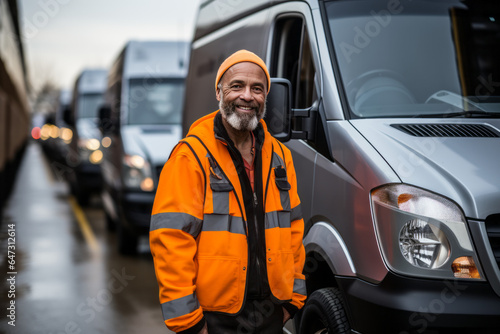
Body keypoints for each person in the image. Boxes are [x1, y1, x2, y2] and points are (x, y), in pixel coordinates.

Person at [150, 50, 306, 334]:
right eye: (237, 86)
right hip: (215, 319)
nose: (247, 96)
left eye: (257, 89)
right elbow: (171, 240)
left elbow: (294, 229)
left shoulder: (281, 157)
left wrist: (291, 302)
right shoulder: (191, 155)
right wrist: (190, 323)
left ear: (265, 98)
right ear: (219, 92)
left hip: (272, 311)